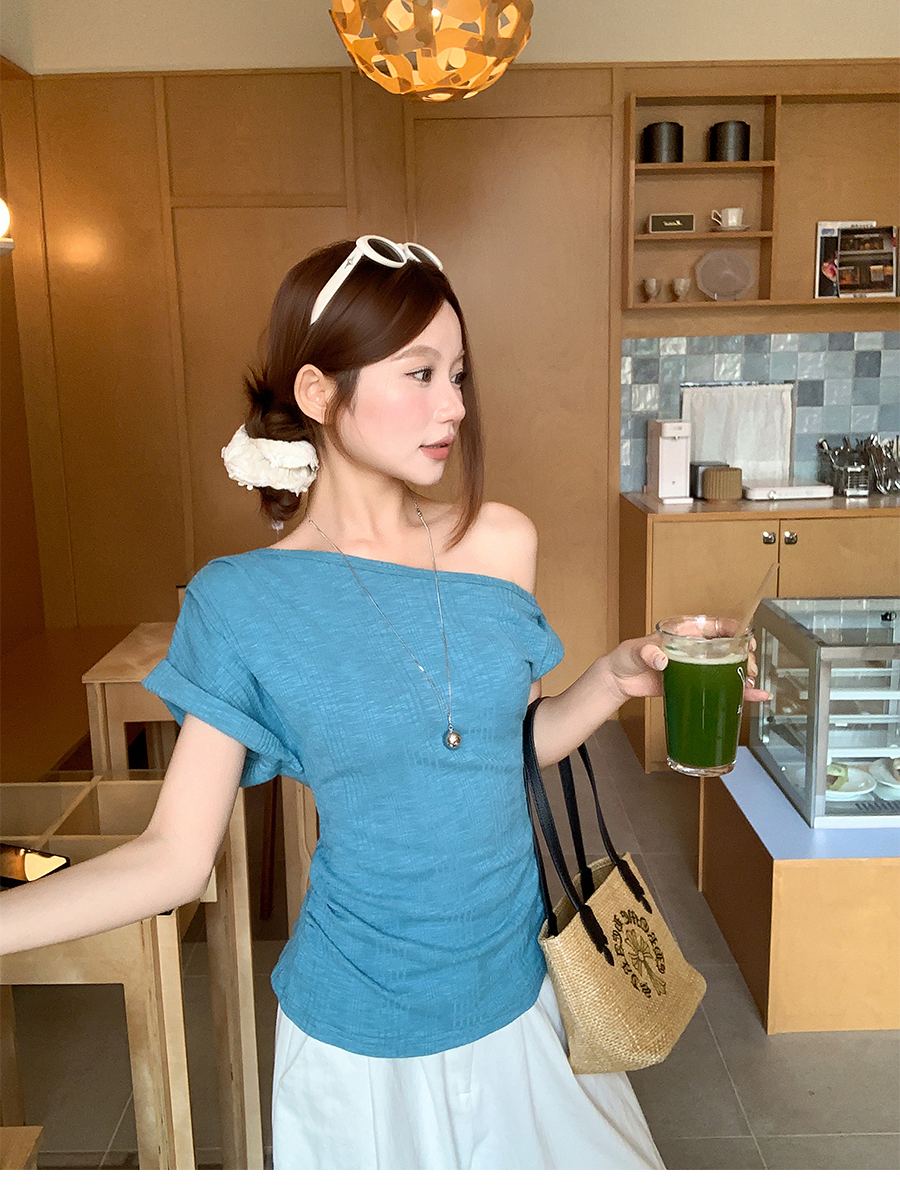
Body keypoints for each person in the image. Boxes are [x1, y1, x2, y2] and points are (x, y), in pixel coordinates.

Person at [0, 236, 766, 1170]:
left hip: (520, 992)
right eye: (421, 373)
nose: (455, 406)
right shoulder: (240, 603)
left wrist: (610, 679)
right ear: (319, 392)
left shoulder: (499, 543)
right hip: (357, 1041)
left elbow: (509, 746)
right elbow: (171, 858)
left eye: (459, 374)